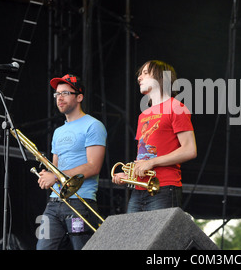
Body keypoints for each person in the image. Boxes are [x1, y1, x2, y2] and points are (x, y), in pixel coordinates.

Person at [112, 60, 197, 212]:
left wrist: (152, 163)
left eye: (145, 73)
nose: (139, 78)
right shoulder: (143, 115)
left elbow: (189, 150)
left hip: (164, 188)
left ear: (161, 77)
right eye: (140, 74)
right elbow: (144, 156)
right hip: (139, 189)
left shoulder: (176, 107)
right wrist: (129, 174)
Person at [36, 74, 107, 250]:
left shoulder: (93, 125)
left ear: (79, 97)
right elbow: (56, 167)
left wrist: (56, 176)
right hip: (54, 202)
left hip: (80, 201)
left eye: (66, 93)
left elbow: (93, 166)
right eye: (57, 94)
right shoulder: (58, 131)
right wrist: (48, 174)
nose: (59, 97)